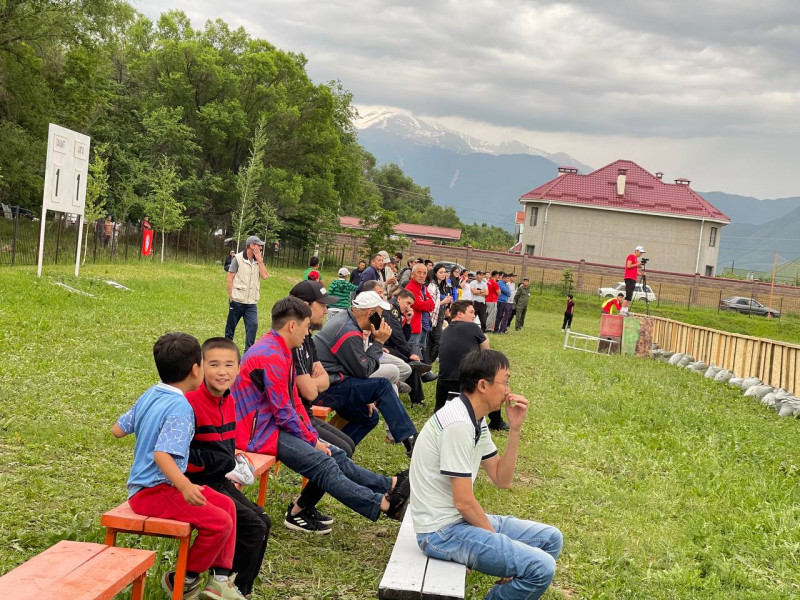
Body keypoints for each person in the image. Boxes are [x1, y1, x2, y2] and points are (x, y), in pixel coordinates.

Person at [233, 297, 411, 534]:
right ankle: (385, 505)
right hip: (256, 433)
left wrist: (312, 436)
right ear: (292, 326)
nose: (308, 333)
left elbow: (295, 403)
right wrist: (312, 440)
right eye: (306, 327)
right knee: (324, 463)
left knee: (335, 453)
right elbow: (284, 412)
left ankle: (388, 486)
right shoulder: (272, 354)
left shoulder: (281, 349)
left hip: (270, 425)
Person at [409, 349, 563, 600]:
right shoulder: (458, 424)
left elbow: (503, 480)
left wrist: (515, 429)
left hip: (457, 522)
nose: (508, 390)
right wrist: (500, 547)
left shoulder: (474, 419)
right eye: (505, 381)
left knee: (551, 539)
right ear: (483, 385)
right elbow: (463, 502)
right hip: (440, 532)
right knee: (541, 568)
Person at [112, 332, 246, 600]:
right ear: (196, 369)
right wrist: (184, 486)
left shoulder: (151, 393)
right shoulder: (181, 408)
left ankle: (220, 580)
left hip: (156, 487)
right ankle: (183, 578)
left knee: (228, 506)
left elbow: (118, 430)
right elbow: (162, 455)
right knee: (220, 522)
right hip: (154, 491)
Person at [185, 338, 271, 597]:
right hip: (195, 483)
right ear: (200, 367)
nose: (222, 371)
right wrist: (221, 462)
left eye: (228, 365)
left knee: (263, 521)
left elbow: (226, 448)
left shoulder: (229, 400)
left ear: (239, 368)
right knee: (253, 527)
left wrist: (229, 464)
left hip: (218, 479)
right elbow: (181, 456)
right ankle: (225, 586)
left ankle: (235, 588)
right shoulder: (189, 402)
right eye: (214, 364)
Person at [313, 291, 418, 454]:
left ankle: (337, 454)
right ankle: (410, 438)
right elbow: (364, 370)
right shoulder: (349, 331)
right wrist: (379, 342)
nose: (381, 320)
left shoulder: (346, 319)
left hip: (331, 383)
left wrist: (366, 393)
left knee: (368, 417)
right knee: (382, 385)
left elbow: (358, 367)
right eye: (379, 315)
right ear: (370, 313)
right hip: (324, 389)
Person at [434, 301, 489, 412]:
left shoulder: (444, 331)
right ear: (459, 314)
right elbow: (487, 353)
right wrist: (486, 338)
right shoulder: (473, 327)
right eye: (471, 312)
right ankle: (496, 420)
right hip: (466, 381)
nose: (474, 316)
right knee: (492, 380)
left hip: (443, 381)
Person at [226, 236, 270, 351]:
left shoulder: (258, 260)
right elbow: (230, 277)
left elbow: (265, 276)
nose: (261, 248)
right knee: (230, 328)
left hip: (251, 302)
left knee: (253, 325)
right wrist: (231, 297)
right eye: (258, 245)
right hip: (237, 300)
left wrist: (260, 261)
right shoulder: (238, 258)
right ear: (251, 245)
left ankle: (248, 353)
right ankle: (227, 350)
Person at [425, 263, 453, 364]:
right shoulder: (432, 286)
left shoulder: (443, 285)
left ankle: (427, 363)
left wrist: (447, 305)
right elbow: (430, 304)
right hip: (433, 316)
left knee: (432, 342)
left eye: (444, 272)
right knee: (439, 342)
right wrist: (443, 302)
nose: (443, 274)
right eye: (440, 272)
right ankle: (428, 363)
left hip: (440, 314)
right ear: (435, 273)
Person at [621, 246, 645, 316]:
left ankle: (626, 310)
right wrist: (638, 264)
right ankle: (622, 310)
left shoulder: (635, 259)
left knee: (630, 295)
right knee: (628, 294)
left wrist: (640, 273)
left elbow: (635, 269)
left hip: (633, 278)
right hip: (629, 277)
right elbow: (628, 266)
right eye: (640, 252)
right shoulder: (631, 256)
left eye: (642, 253)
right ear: (636, 251)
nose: (641, 254)